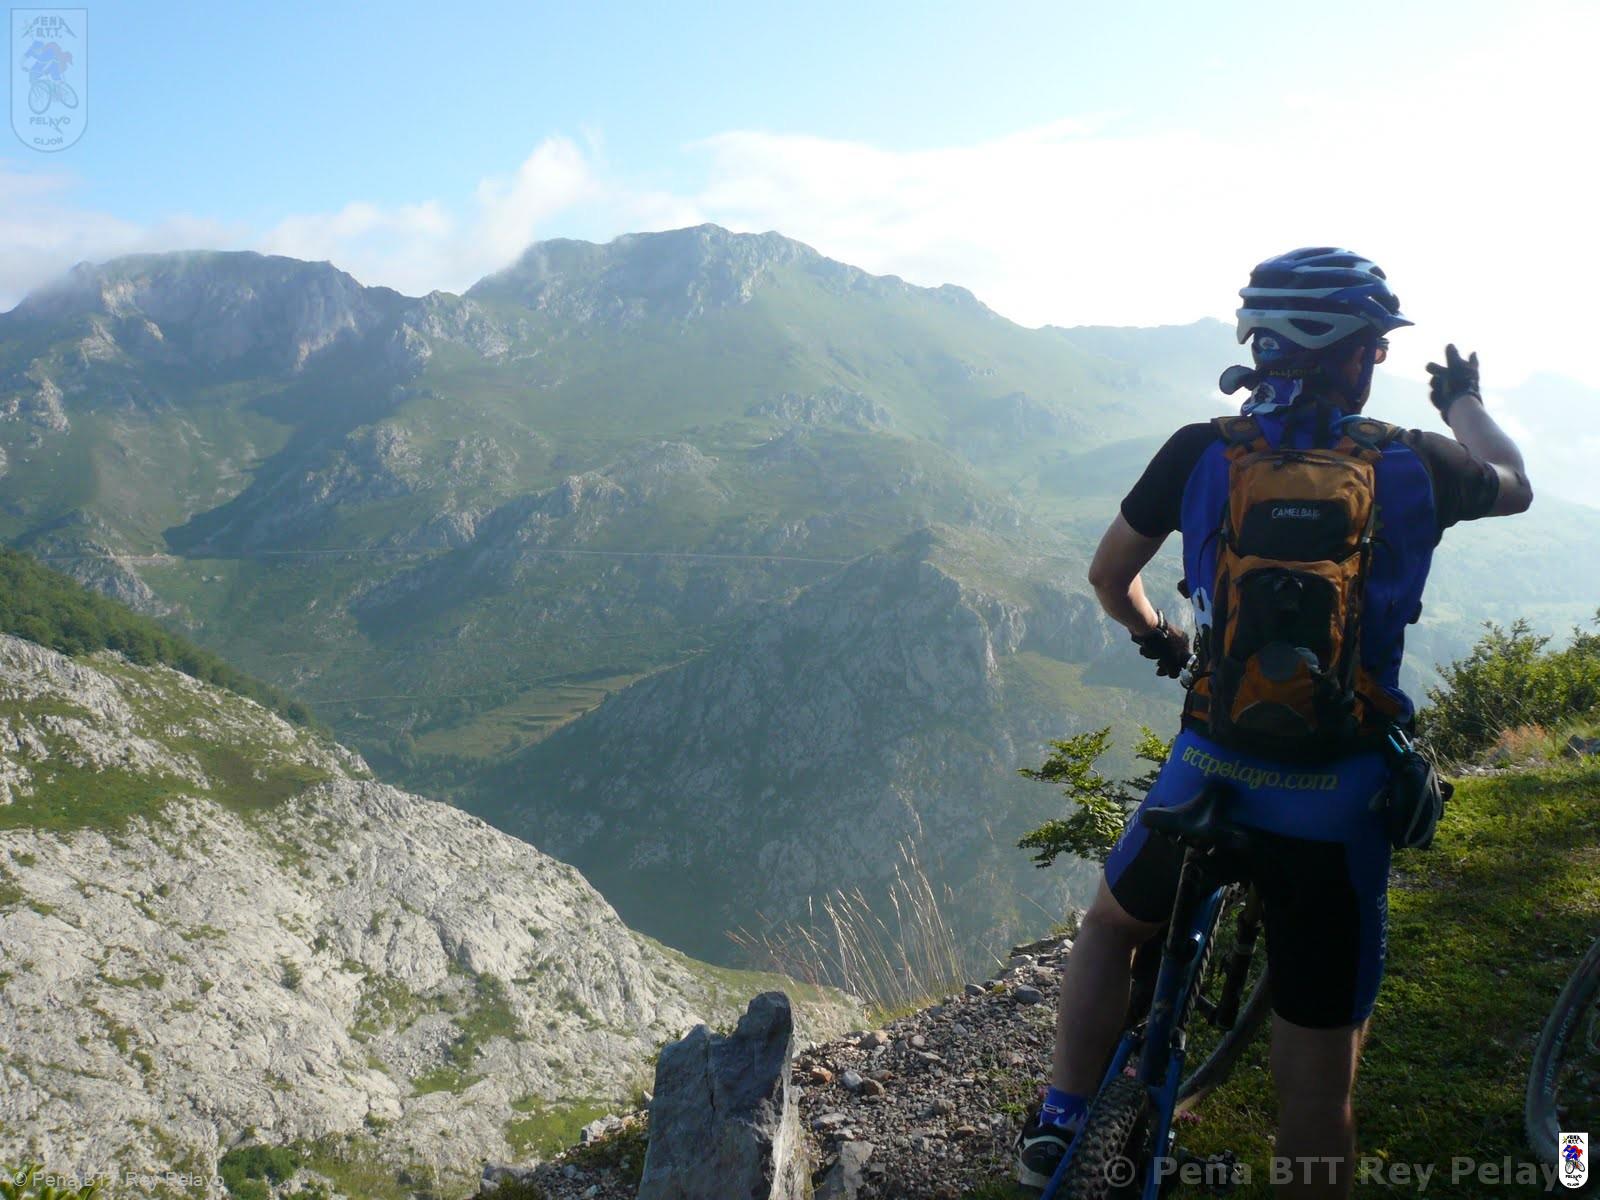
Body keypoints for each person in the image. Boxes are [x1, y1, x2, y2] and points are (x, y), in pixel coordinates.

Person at [1016, 248, 1533, 1198]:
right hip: (1336, 797)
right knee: (1318, 1088)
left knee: (1111, 927)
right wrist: (1461, 399)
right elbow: (1515, 478)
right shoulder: (1415, 461)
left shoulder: (1199, 450)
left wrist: (1160, 636)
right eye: (1376, 347)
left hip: (1212, 763)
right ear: (1359, 356)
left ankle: (1059, 1117)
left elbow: (1108, 577)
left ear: (1259, 346)